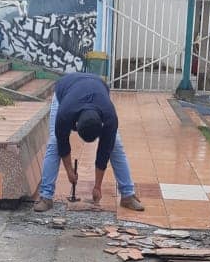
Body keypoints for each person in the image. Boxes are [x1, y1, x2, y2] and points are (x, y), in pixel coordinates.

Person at [34, 72, 144, 213]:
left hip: (97, 88)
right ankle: (46, 196)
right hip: (66, 88)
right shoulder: (65, 113)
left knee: (116, 145)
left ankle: (127, 195)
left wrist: (97, 186)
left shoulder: (109, 117)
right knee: (54, 142)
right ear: (75, 124)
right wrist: (69, 171)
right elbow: (63, 143)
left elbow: (104, 151)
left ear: (102, 125)